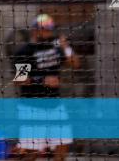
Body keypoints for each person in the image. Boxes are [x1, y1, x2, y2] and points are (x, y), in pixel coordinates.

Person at [10, 14, 80, 161]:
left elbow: (75, 63)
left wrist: (66, 47)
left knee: (62, 145)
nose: (49, 32)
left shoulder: (54, 47)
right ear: (35, 30)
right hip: (32, 107)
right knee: (32, 152)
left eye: (50, 29)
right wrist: (42, 80)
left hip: (55, 104)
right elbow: (19, 79)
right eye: (45, 29)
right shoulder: (24, 52)